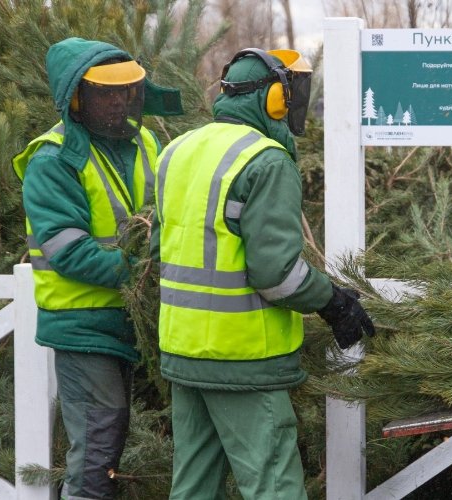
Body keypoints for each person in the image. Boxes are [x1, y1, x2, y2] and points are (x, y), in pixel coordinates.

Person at [150, 48, 376, 499]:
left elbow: (160, 249)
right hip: (243, 359)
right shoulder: (266, 160)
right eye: (292, 95)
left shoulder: (177, 151)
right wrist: (333, 302)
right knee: (274, 485)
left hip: (183, 352)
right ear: (274, 99)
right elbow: (276, 275)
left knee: (193, 487)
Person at [12, 37, 182, 499]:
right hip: (83, 323)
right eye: (105, 92)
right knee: (97, 450)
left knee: (112, 439)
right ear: (75, 97)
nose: (117, 101)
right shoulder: (53, 159)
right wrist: (145, 276)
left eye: (124, 91)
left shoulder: (146, 140)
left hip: (134, 319)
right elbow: (69, 251)